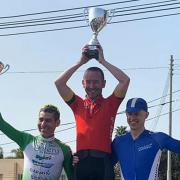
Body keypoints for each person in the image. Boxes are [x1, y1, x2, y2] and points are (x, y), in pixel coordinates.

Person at [55, 45, 130, 180]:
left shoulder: (111, 103)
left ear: (103, 83)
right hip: (81, 163)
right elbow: (59, 83)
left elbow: (125, 80)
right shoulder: (77, 104)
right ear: (83, 83)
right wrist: (80, 62)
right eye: (88, 82)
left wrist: (102, 61)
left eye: (95, 82)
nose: (91, 86)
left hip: (103, 164)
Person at [112, 97, 180, 180]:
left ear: (146, 115)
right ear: (126, 114)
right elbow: (104, 165)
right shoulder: (118, 142)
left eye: (137, 113)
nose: (132, 118)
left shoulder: (158, 138)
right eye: (130, 113)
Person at [0, 104, 73, 180]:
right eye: (41, 119)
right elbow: (2, 124)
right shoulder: (26, 139)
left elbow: (73, 177)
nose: (43, 124)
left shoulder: (65, 150)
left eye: (48, 120)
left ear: (57, 123)